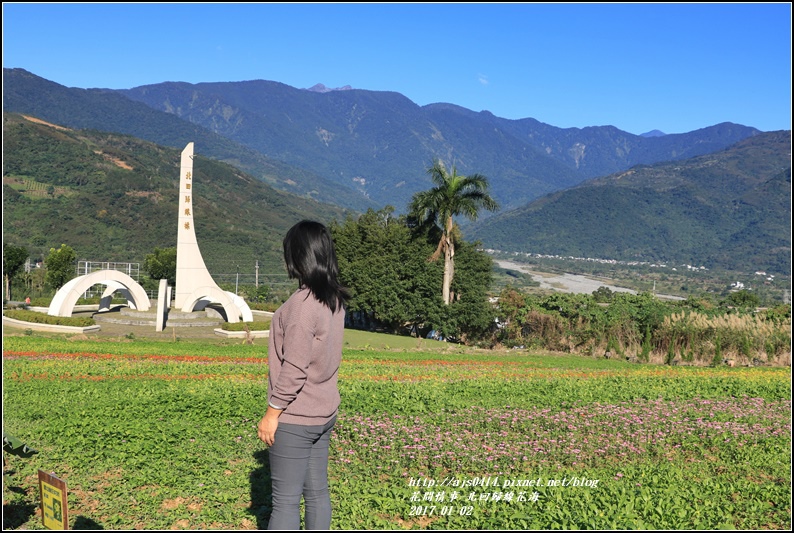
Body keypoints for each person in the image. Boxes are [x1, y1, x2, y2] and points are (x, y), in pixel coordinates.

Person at [258, 220, 349, 530]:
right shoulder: (333, 300)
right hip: (323, 413)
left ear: (297, 256)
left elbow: (294, 369)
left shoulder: (301, 307)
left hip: (296, 419)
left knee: (285, 503)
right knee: (317, 494)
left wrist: (272, 413)